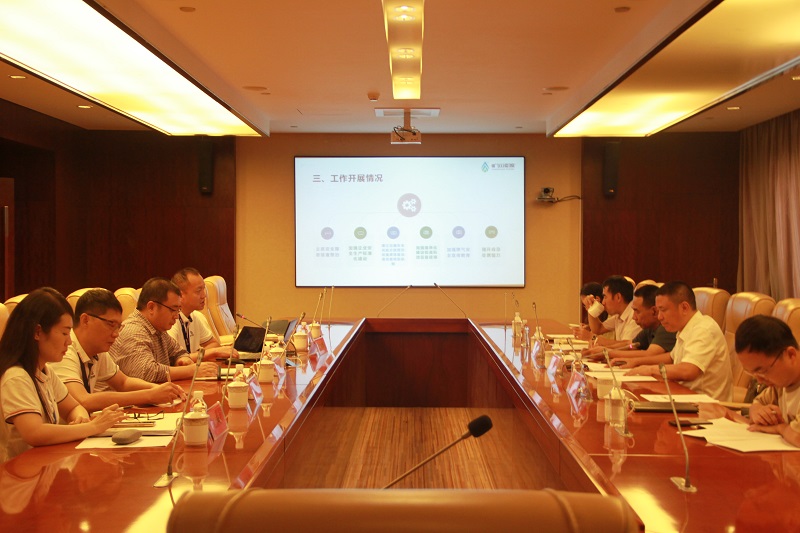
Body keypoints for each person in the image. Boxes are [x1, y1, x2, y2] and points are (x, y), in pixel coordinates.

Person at [0, 288, 124, 462]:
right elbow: (34, 433)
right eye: (65, 333)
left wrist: (79, 419)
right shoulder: (16, 376)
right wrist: (93, 426)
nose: (69, 341)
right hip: (19, 472)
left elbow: (74, 407)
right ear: (37, 332)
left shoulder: (44, 371)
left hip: (44, 465)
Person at [50, 288, 185, 411]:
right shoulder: (65, 350)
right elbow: (82, 401)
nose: (116, 334)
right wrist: (149, 395)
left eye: (118, 327)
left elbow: (123, 382)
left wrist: (160, 389)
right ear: (85, 320)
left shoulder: (98, 349)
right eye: (111, 324)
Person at [623, 281, 732, 401]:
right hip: (684, 397)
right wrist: (636, 362)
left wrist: (650, 369)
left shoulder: (704, 329)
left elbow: (688, 370)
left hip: (704, 405)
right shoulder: (685, 327)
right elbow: (671, 357)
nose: (659, 317)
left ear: (684, 307)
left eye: (663, 310)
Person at [109, 278, 218, 383]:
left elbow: (178, 352)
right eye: (173, 310)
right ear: (151, 307)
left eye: (178, 310)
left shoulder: (158, 329)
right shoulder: (133, 331)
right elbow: (147, 372)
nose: (176, 316)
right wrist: (191, 370)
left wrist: (183, 360)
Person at [735, 315, 800, 447]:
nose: (759, 380)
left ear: (791, 355)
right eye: (752, 373)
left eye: (762, 371)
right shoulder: (781, 383)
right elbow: (758, 402)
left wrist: (780, 428)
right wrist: (757, 411)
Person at [168, 268, 235, 359]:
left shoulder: (196, 316)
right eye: (198, 291)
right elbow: (174, 359)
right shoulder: (171, 321)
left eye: (204, 289)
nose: (204, 295)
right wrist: (211, 353)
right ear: (181, 295)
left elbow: (214, 344)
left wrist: (197, 355)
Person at [601, 284, 677, 360]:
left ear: (654, 311)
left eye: (637, 311)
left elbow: (649, 354)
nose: (633, 317)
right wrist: (604, 349)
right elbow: (631, 345)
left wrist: (608, 352)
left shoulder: (666, 327)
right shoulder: (649, 328)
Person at [581, 275, 641, 347]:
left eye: (605, 297)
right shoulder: (619, 315)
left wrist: (592, 337)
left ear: (618, 297)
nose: (603, 302)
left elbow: (628, 346)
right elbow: (598, 329)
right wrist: (591, 307)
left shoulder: (635, 315)